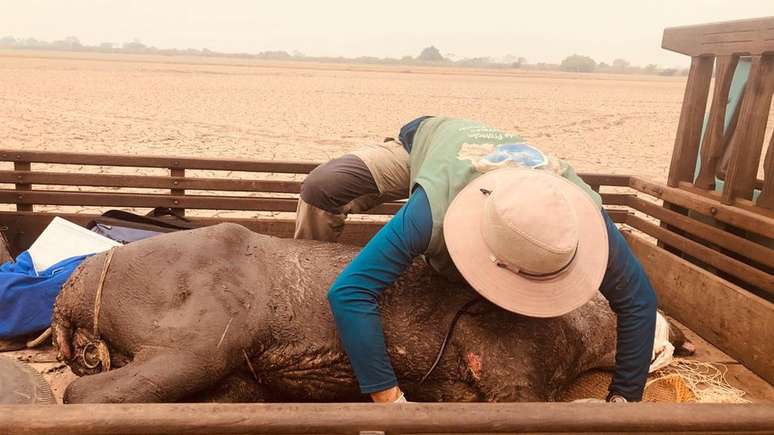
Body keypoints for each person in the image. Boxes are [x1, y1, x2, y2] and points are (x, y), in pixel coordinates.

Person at [294, 116, 657, 403]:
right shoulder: (431, 214)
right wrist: (390, 401)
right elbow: (350, 291)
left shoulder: (585, 215)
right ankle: (300, 283)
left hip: (510, 170)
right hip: (434, 143)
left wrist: (624, 398)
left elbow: (639, 301)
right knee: (321, 186)